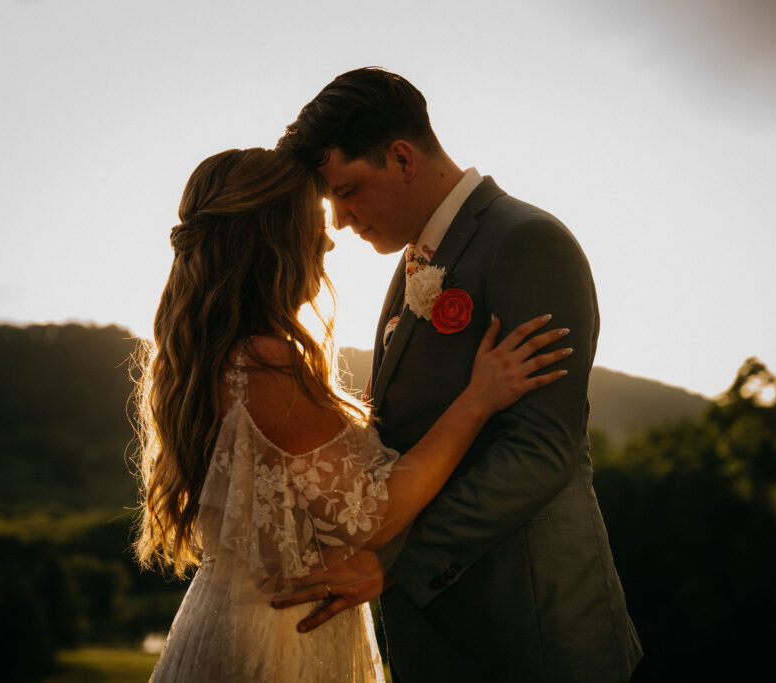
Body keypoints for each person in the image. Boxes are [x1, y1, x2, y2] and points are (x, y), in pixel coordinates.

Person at [135, 147, 573, 682]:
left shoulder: (204, 355)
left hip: (240, 620)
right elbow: (376, 516)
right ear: (274, 241)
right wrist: (477, 400)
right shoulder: (265, 360)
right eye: (312, 223)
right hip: (283, 644)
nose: (327, 238)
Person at [274, 68, 643, 682]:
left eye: (347, 190)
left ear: (401, 157)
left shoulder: (527, 241)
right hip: (445, 632)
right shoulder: (417, 256)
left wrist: (396, 560)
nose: (338, 220)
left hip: (529, 630)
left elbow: (541, 449)